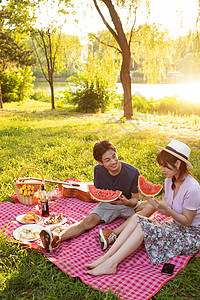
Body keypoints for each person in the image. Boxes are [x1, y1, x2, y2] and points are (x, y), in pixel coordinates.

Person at [84, 140, 200, 276]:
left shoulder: (192, 188)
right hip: (175, 227)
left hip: (190, 236)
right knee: (137, 219)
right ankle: (105, 257)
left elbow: (186, 221)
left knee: (142, 227)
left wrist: (168, 210)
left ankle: (111, 264)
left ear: (178, 164)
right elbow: (165, 210)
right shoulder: (169, 179)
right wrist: (149, 199)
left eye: (165, 166)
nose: (162, 169)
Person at [40, 140, 155, 252]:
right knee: (87, 221)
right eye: (107, 160)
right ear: (100, 162)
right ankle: (56, 238)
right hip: (107, 205)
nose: (113, 161)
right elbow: (98, 193)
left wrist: (126, 202)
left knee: (151, 205)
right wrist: (96, 196)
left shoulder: (132, 172)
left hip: (128, 205)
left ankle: (112, 233)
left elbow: (135, 199)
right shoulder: (98, 170)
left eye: (114, 156)